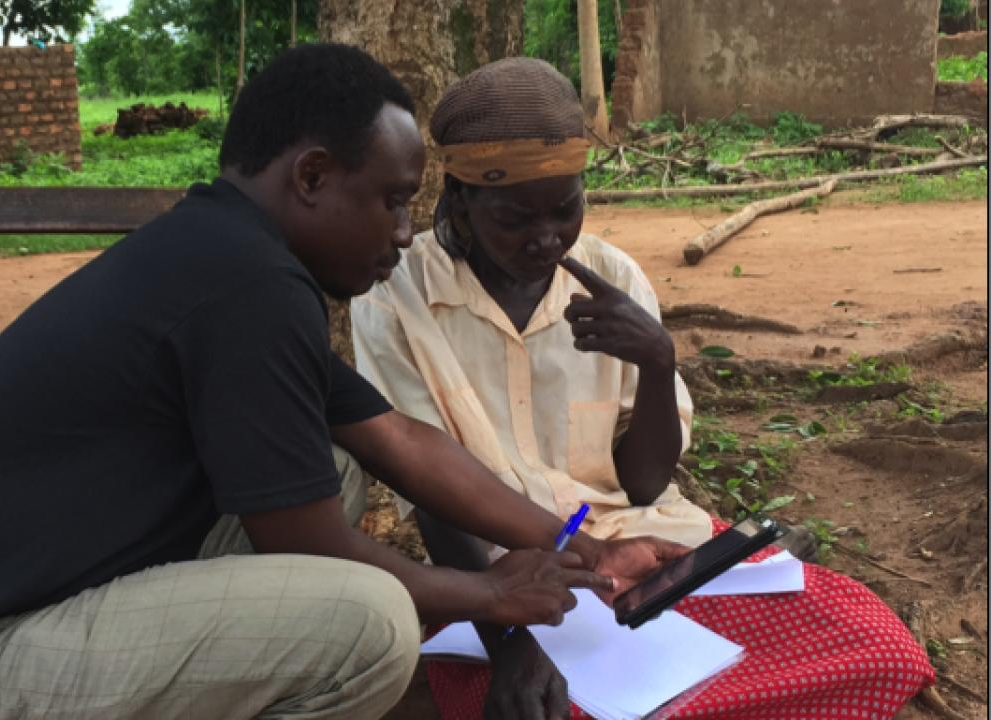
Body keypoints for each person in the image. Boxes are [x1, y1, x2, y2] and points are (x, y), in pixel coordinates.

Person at [0, 45, 687, 720]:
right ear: (310, 177)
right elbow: (311, 544)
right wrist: (491, 595)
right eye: (390, 200)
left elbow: (398, 441)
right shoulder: (247, 287)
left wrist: (581, 546)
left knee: (341, 462)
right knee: (369, 624)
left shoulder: (227, 254)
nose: (400, 232)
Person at [351, 58, 934, 719]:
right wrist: (509, 640)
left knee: (878, 647)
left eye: (566, 209)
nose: (547, 239)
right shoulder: (397, 300)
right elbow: (431, 493)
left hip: (648, 550)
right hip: (506, 587)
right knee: (568, 710)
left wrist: (659, 363)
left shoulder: (613, 276)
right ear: (459, 198)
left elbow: (646, 485)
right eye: (516, 218)